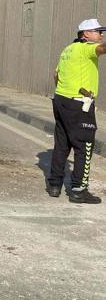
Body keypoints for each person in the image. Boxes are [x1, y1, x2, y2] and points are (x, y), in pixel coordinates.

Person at [46, 18, 106, 204]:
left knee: (62, 144)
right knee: (84, 145)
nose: (101, 35)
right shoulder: (86, 47)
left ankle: (54, 184)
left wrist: (64, 92)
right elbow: (102, 49)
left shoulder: (68, 50)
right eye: (98, 31)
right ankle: (79, 189)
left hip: (61, 100)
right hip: (80, 104)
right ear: (86, 34)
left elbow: (56, 74)